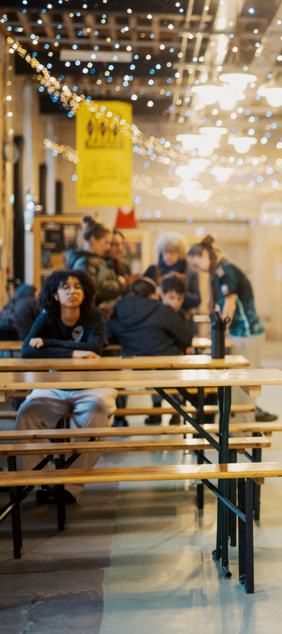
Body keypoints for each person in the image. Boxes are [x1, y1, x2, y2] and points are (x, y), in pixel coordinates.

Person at [15, 270, 115, 504]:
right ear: (55, 294)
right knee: (27, 414)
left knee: (99, 409)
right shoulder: (46, 317)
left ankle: (70, 485)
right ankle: (44, 481)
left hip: (91, 385)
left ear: (85, 292)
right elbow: (27, 351)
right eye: (66, 287)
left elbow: (95, 348)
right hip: (54, 384)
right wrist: (73, 352)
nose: (72, 292)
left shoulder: (92, 315)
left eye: (78, 287)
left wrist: (48, 344)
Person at [187, 235, 278, 423]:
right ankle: (238, 425)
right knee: (238, 383)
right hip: (239, 334)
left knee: (246, 382)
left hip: (247, 333)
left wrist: (220, 335)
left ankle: (245, 426)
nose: (198, 270)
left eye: (197, 265)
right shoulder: (219, 273)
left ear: (205, 255)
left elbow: (230, 305)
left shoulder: (227, 272)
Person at [108, 275, 193, 425]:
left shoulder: (118, 310)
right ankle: (178, 411)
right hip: (167, 365)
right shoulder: (164, 311)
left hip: (135, 367)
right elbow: (186, 338)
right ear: (155, 295)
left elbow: (109, 335)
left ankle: (122, 417)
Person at [65, 215, 127, 309]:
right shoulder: (84, 262)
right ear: (93, 240)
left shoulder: (94, 260)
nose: (108, 247)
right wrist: (119, 283)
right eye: (106, 242)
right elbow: (93, 289)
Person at [143, 232, 202, 314]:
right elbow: (140, 295)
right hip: (156, 316)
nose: (168, 256)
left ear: (180, 252)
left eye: (172, 252)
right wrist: (154, 293)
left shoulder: (189, 272)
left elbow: (197, 300)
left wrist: (178, 294)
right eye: (165, 252)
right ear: (161, 252)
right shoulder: (153, 270)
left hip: (181, 318)